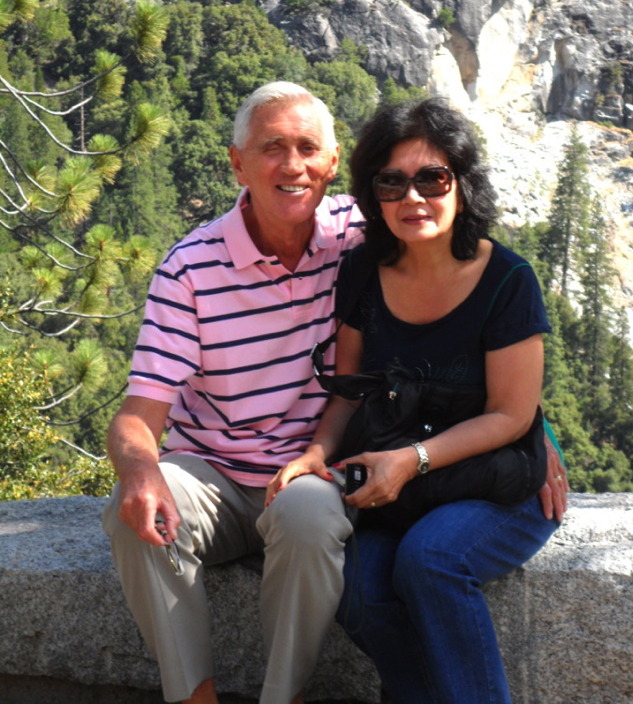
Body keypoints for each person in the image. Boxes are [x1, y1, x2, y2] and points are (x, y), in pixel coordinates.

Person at [268, 97, 565, 704]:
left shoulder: (508, 281)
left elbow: (512, 414)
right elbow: (350, 395)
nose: (413, 199)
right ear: (372, 196)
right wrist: (315, 455)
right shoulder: (362, 273)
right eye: (392, 182)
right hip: (398, 490)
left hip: (492, 486)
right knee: (356, 586)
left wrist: (415, 458)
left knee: (430, 560)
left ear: (463, 183)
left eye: (432, 178)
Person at [102, 82, 364, 704]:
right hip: (210, 475)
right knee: (126, 510)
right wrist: (141, 471)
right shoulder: (190, 268)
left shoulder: (360, 236)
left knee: (309, 518)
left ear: (332, 162)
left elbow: (471, 291)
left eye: (307, 148)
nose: (292, 165)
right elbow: (138, 417)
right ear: (237, 163)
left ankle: (284, 697)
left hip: (309, 470)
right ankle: (194, 697)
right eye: (272, 147)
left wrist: (527, 425)